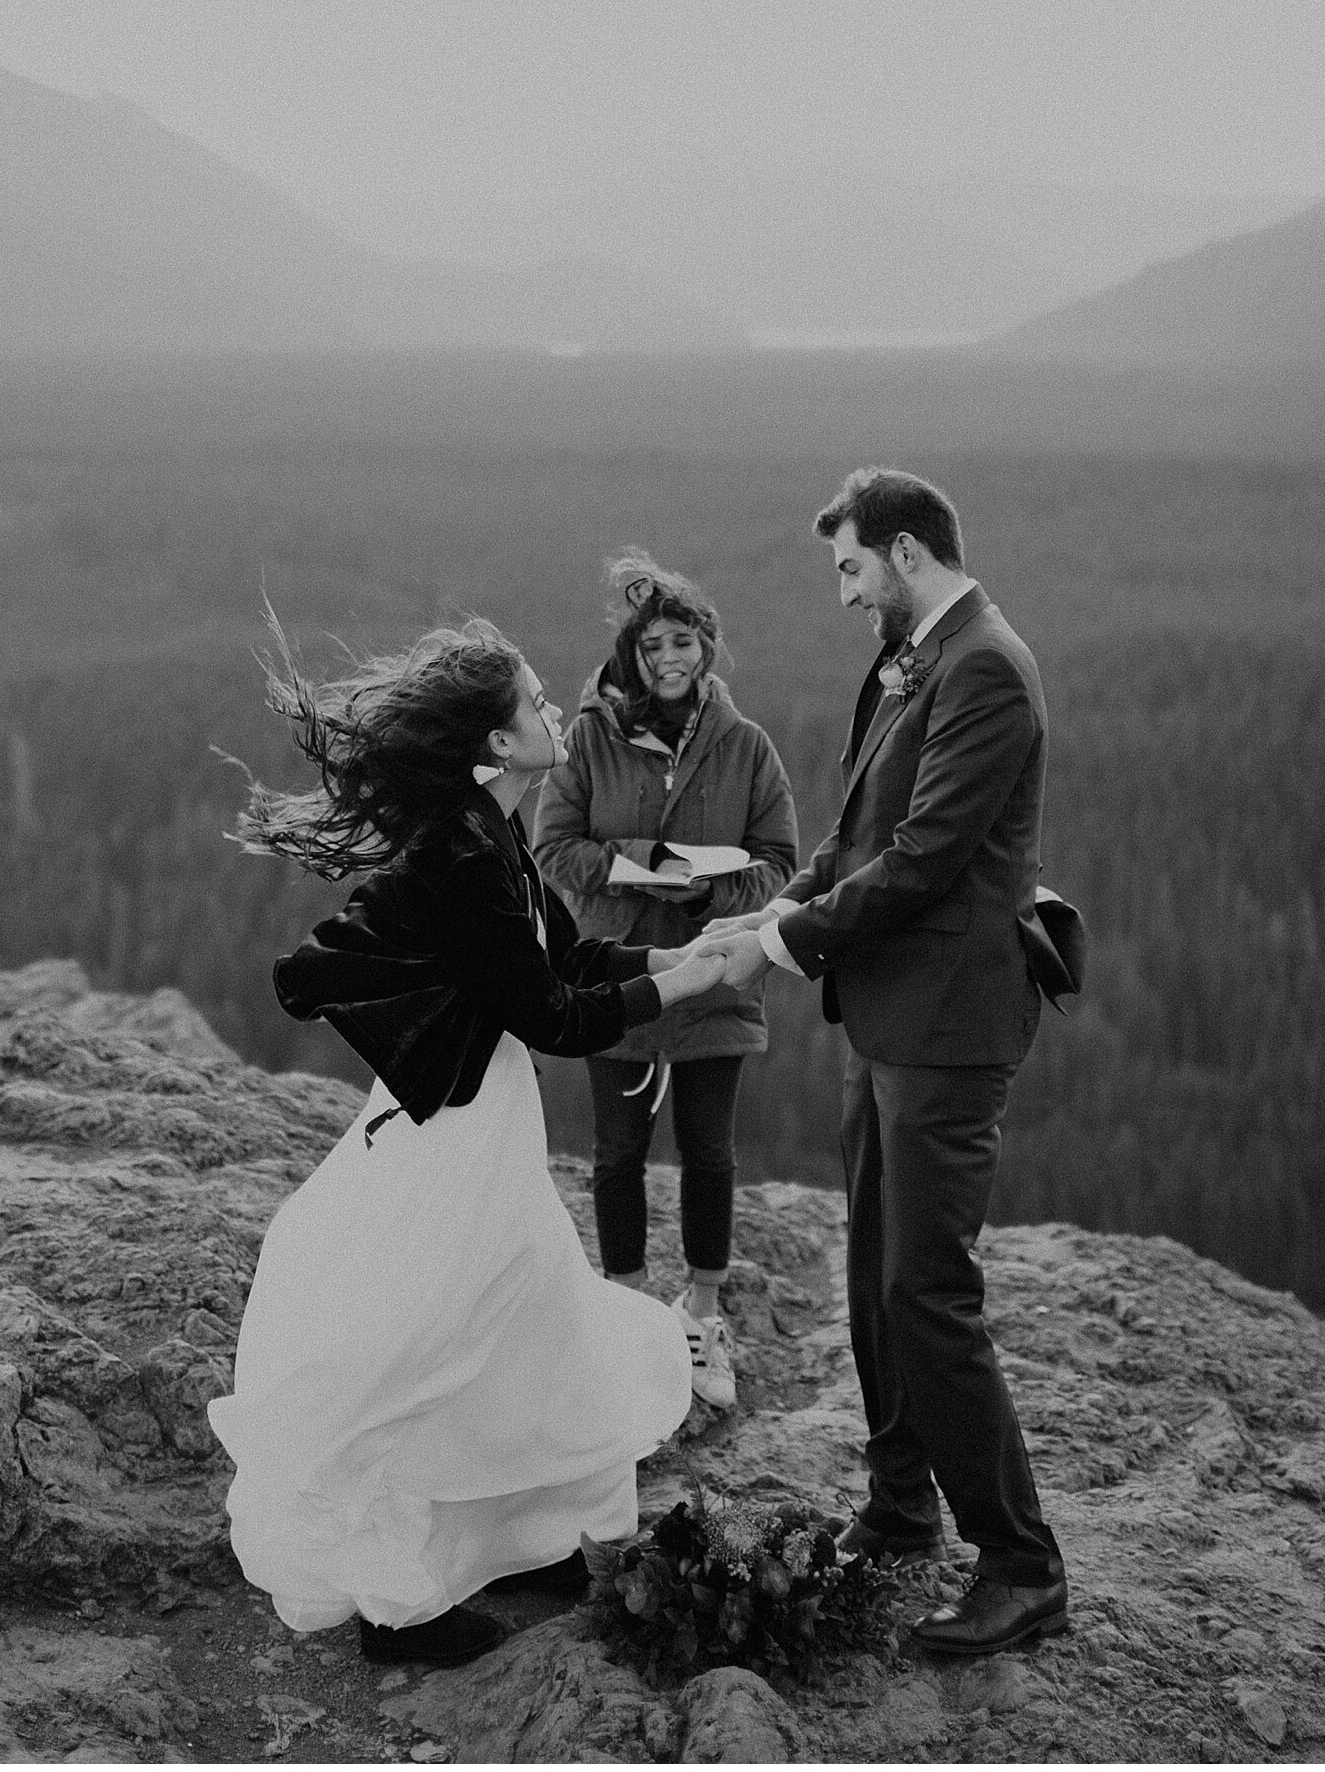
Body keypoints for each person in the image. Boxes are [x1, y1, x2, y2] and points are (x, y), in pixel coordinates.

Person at [206, 613, 728, 1669]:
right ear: (496, 747)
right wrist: (693, 981)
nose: (554, 712)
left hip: (484, 1114)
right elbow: (552, 1013)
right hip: (454, 1126)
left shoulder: (497, 837)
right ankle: (399, 1604)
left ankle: (520, 1526)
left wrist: (695, 941)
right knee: (431, 1341)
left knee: (527, 1311)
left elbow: (573, 952)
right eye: (534, 703)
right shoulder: (462, 853)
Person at [699, 468, 1069, 1658]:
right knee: (871, 1273)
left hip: (951, 1026)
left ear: (907, 553)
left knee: (925, 1289)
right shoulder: (917, 658)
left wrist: (779, 945)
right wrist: (758, 916)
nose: (849, 597)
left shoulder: (986, 668)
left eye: (853, 570)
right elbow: (858, 832)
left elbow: (922, 858)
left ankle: (1021, 1564)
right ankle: (902, 1504)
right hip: (883, 1020)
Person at [533, 552, 797, 1411]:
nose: (671, 660)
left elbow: (784, 865)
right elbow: (553, 850)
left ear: (706, 646)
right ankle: (627, 1312)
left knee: (710, 1153)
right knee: (617, 1154)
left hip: (718, 973)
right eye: (653, 647)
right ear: (631, 654)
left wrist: (711, 887)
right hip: (622, 979)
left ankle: (703, 1319)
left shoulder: (747, 747)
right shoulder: (589, 740)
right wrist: (635, 867)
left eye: (684, 641)